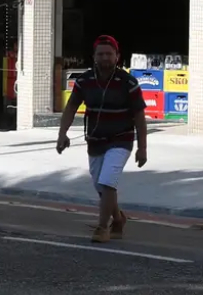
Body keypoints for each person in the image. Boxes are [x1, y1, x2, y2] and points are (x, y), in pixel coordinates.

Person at [57, 35, 148, 244]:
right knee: (102, 186)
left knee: (107, 182)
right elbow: (71, 107)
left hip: (121, 140)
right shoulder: (85, 81)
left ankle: (101, 228)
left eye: (109, 53)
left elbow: (140, 117)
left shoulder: (128, 82)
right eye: (101, 54)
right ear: (94, 57)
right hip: (95, 141)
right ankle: (118, 219)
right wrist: (62, 134)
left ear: (117, 56)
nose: (105, 58)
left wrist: (142, 148)